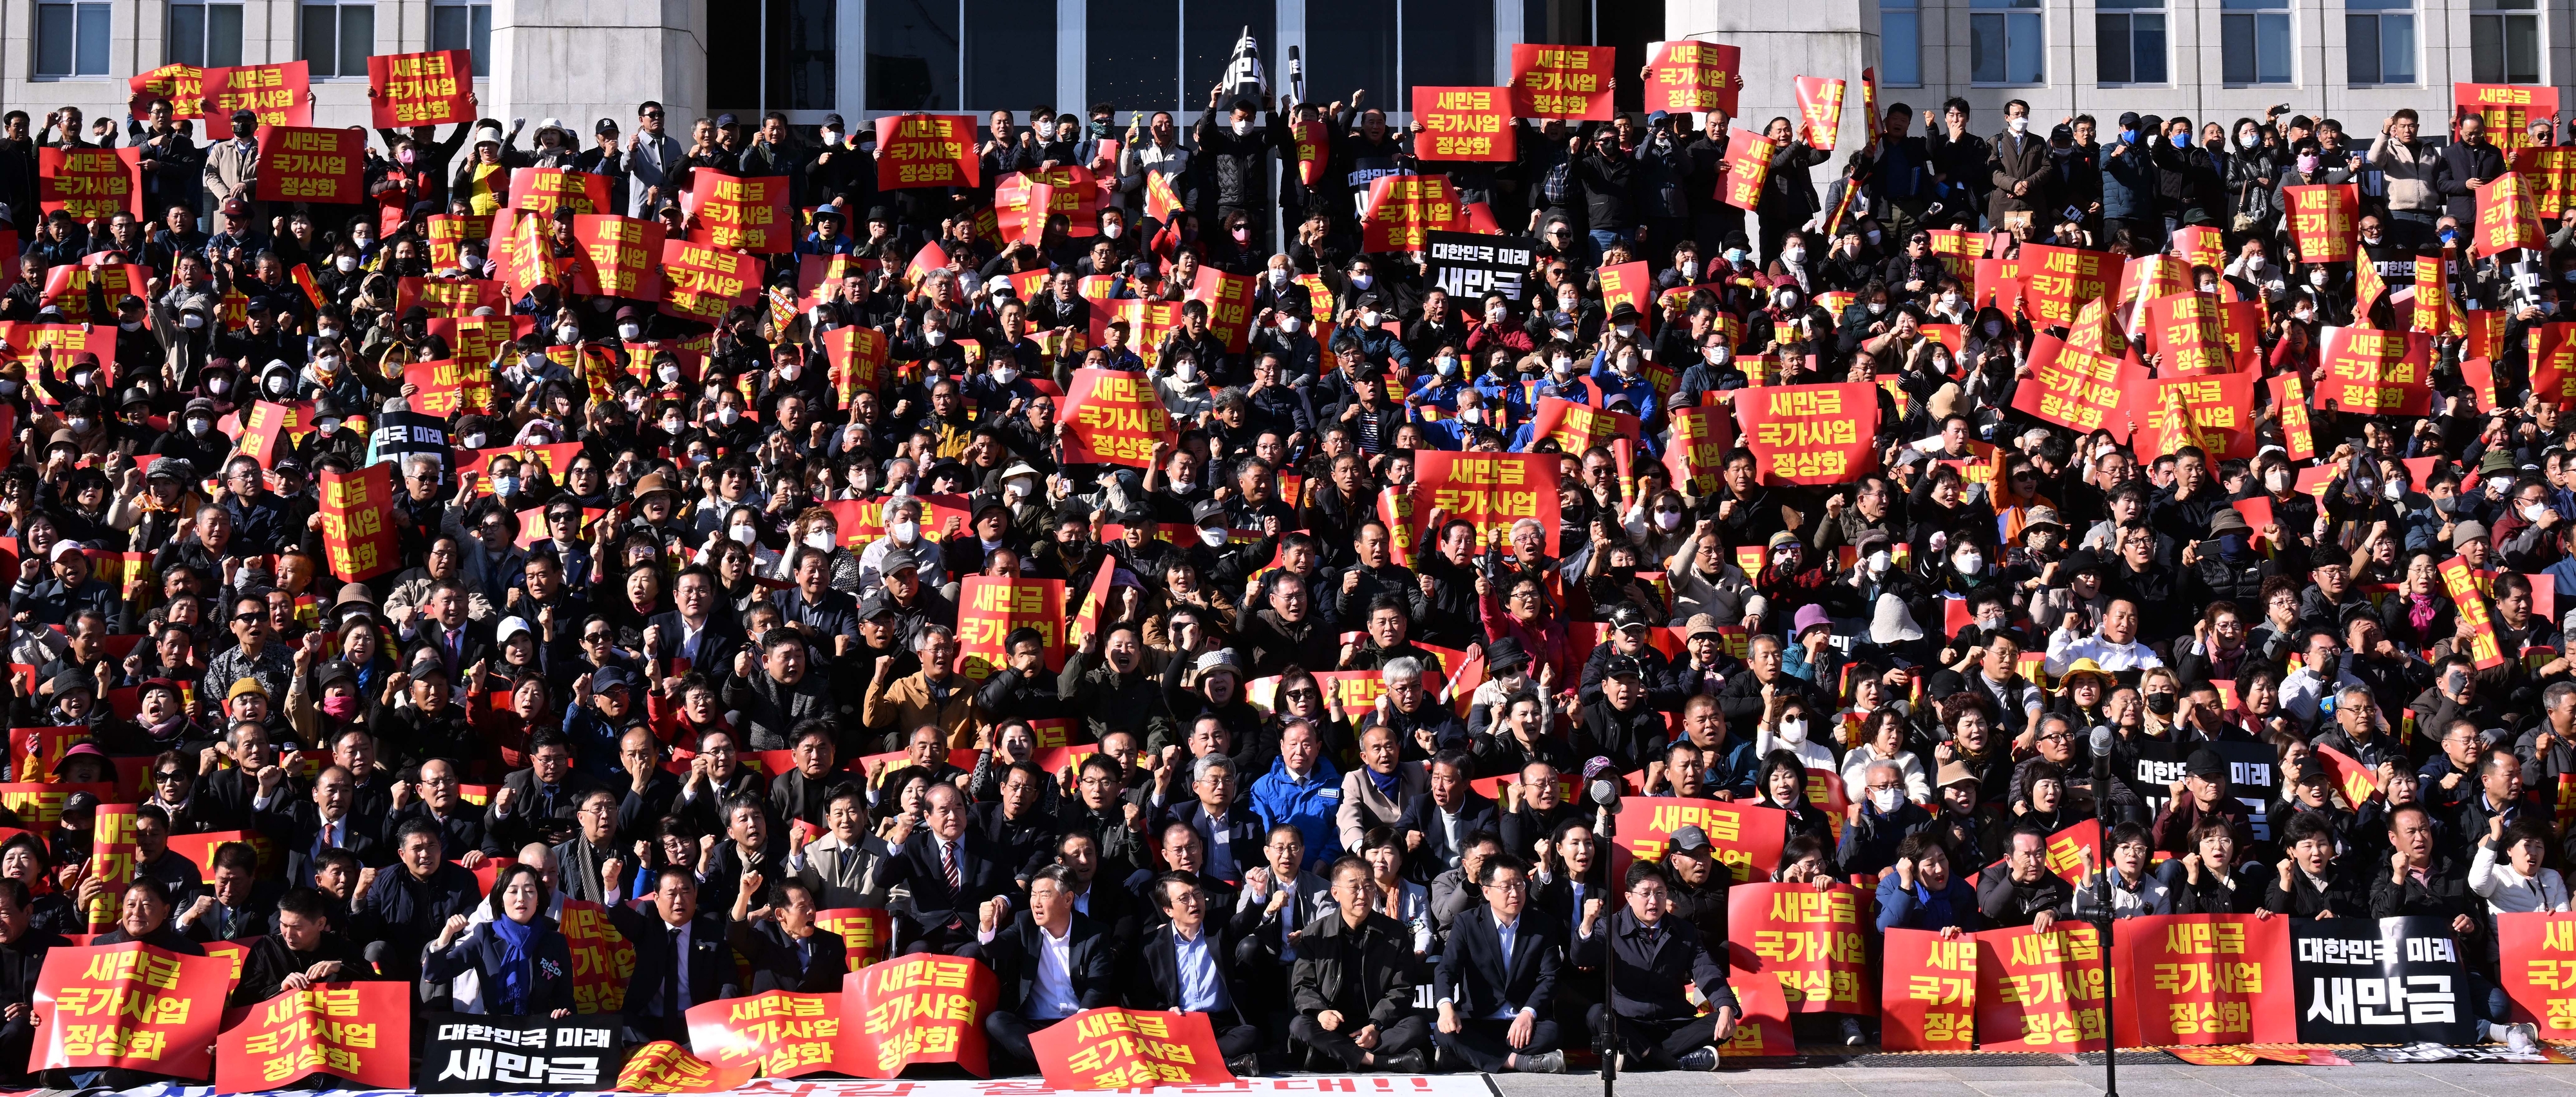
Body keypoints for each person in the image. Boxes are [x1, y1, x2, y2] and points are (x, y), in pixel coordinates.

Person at [1575, 861, 1735, 1071]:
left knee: (1722, 1023)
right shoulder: (1610, 927)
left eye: (1660, 892)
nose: (1654, 901)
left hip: (1673, 1022)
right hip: (1630, 1022)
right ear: (1629, 897)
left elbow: (1706, 969)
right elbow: (1582, 958)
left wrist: (1725, 1006)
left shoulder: (1684, 931)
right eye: (1646, 893)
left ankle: (1638, 1056)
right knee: (1598, 1015)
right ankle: (1678, 1062)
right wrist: (1587, 923)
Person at [1288, 855, 1430, 1073]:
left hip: (1377, 1027)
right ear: (1335, 893)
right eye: (1354, 888)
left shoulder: (1395, 933)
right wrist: (1320, 1013)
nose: (1363, 895)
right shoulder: (1314, 934)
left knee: (1417, 1025)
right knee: (1300, 1025)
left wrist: (1376, 1025)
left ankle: (1333, 1056)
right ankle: (1379, 1062)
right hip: (1332, 1025)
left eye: (1369, 886)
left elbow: (1402, 988)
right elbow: (1303, 985)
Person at [1432, 854, 1566, 1073]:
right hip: (1480, 1019)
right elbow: (1448, 969)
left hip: (1521, 1021)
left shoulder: (1543, 925)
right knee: (1444, 1032)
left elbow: (1549, 977)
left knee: (1552, 1033)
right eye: (1506, 887)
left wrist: (1528, 1014)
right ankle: (1519, 1062)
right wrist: (1445, 1006)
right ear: (1486, 891)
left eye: (1520, 885)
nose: (1515, 893)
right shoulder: (1467, 923)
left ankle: (1468, 1058)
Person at [979, 864, 1117, 1074]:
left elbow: (1097, 986)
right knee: (997, 1021)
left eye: (1045, 895)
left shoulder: (1094, 934)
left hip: (1080, 1025)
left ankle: (1050, 1061)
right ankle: (1065, 1063)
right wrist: (987, 926)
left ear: (1068, 899)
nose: (1036, 903)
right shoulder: (1024, 923)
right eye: (1034, 895)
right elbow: (995, 949)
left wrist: (1081, 1023)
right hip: (1035, 1028)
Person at [422, 863, 576, 1016]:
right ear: (501, 900)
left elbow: (565, 998)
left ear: (538, 899)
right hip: (492, 1030)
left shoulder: (556, 942)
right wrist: (446, 935)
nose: (521, 898)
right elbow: (435, 974)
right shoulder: (485, 935)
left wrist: (563, 1013)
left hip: (536, 1032)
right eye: (513, 891)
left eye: (529, 891)